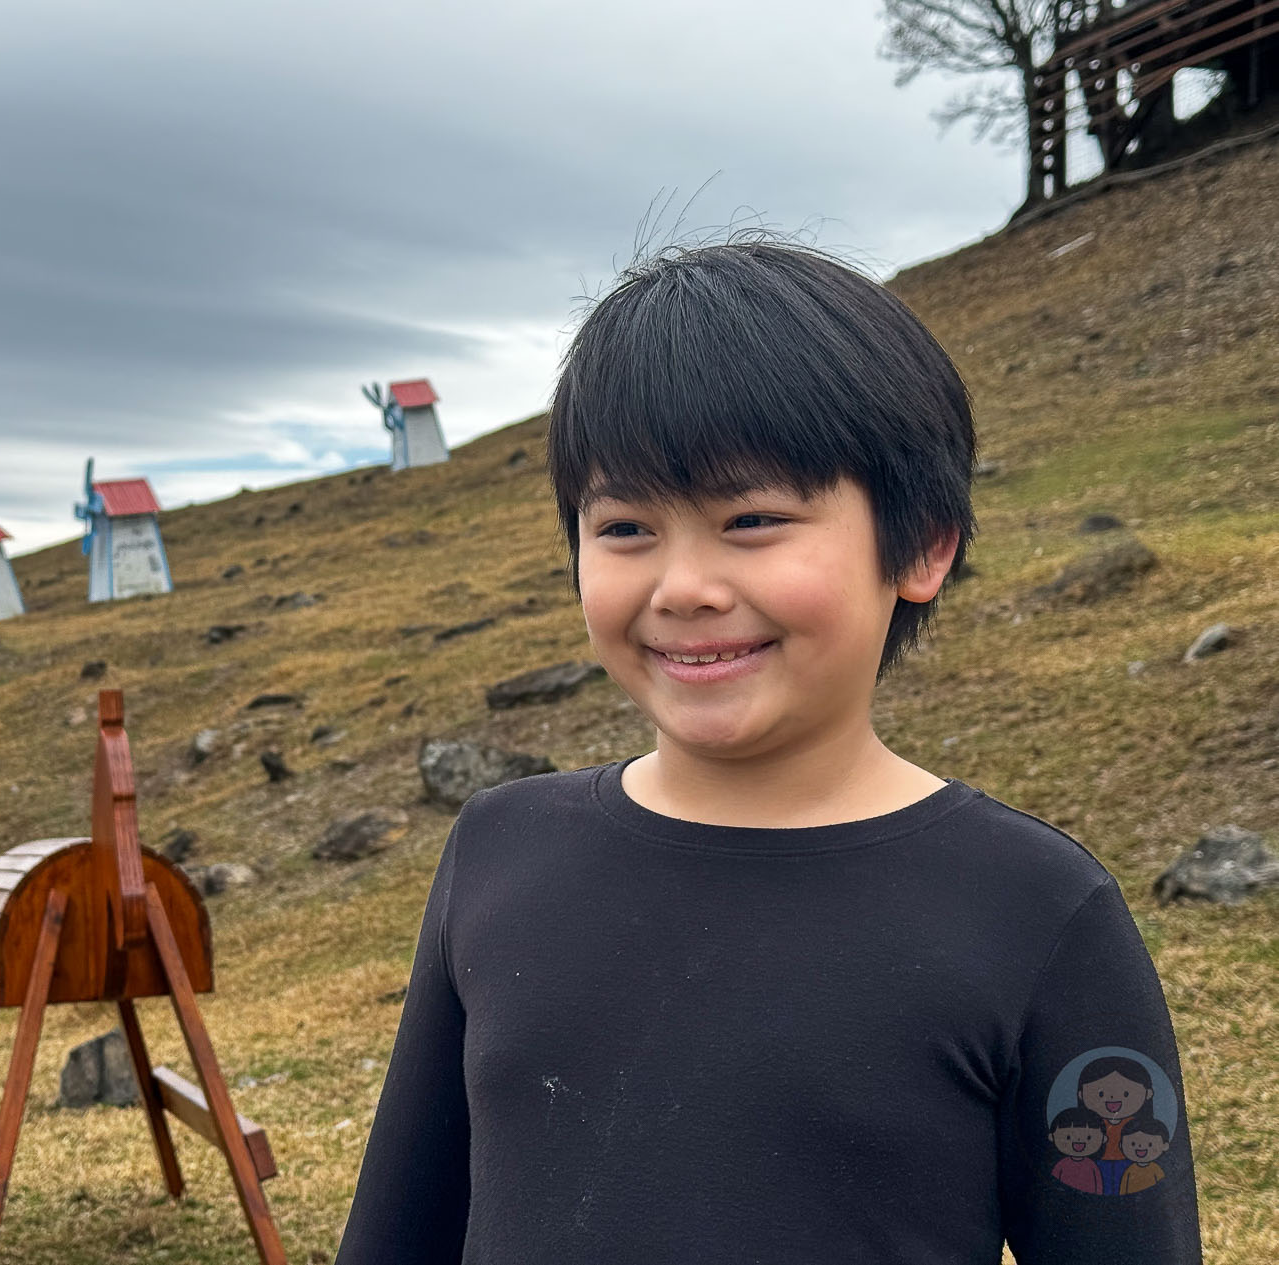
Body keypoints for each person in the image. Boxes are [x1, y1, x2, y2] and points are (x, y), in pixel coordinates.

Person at [333, 238, 1201, 1263]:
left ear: (921, 543)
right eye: (623, 527)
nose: (683, 585)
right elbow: (397, 1230)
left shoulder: (1039, 911)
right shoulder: (498, 848)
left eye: (751, 518)